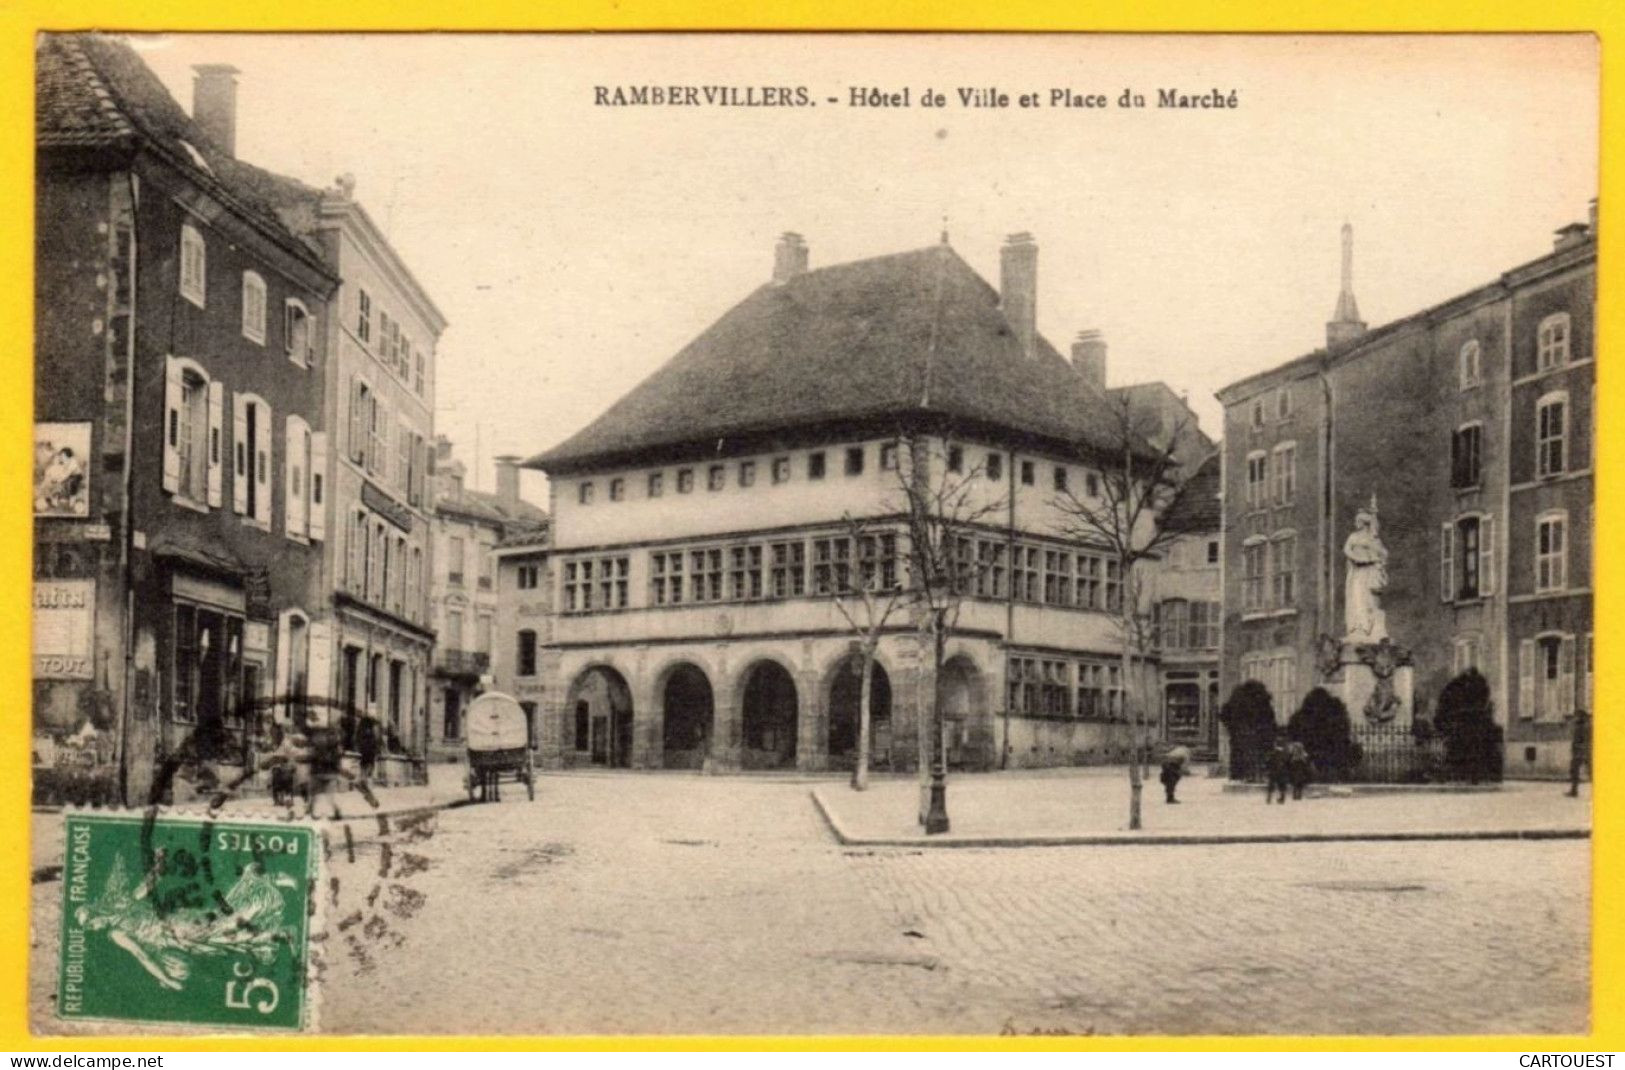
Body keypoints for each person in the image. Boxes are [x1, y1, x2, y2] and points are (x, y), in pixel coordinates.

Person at [1567, 709, 1591, 797]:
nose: (1574, 718)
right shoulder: (1582, 726)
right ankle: (1574, 790)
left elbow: (1584, 740)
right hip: (1580, 751)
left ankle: (1574, 791)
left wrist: (1580, 750)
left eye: (1576, 716)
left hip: (1581, 752)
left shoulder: (1583, 727)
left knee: (1577, 770)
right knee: (1574, 771)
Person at [1264, 736, 1290, 804]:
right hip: (1282, 771)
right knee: (1282, 785)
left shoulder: (1273, 752)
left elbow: (1268, 761)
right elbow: (1288, 761)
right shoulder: (1285, 753)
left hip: (1273, 771)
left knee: (1271, 784)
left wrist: (1267, 769)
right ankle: (1282, 798)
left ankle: (1269, 798)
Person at [356, 715, 381, 784]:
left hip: (364, 750)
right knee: (369, 765)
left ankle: (364, 778)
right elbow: (375, 741)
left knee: (364, 765)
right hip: (369, 751)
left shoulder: (361, 730)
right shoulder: (371, 732)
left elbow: (358, 740)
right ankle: (365, 779)